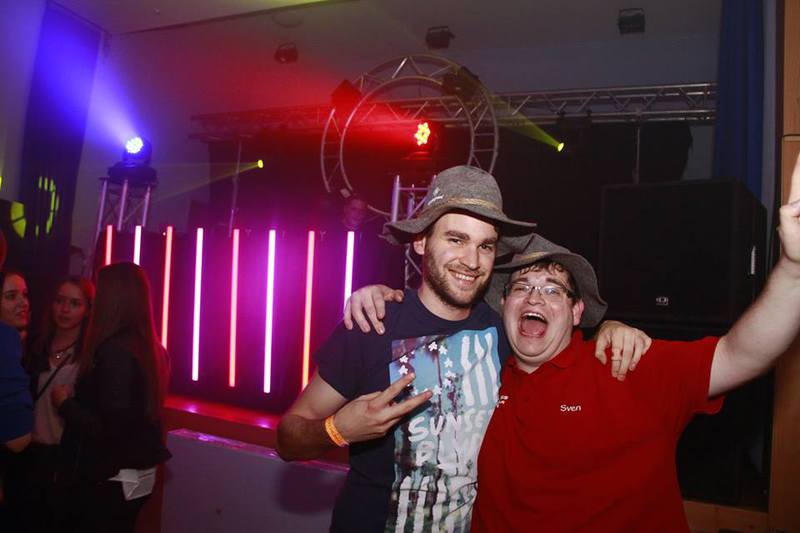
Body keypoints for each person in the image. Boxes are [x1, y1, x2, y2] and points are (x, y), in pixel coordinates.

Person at [276, 165, 648, 532]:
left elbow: (562, 339)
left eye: (485, 246)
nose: (471, 261)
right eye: (456, 239)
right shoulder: (372, 324)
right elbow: (288, 439)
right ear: (421, 241)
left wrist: (611, 328)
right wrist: (338, 430)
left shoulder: (505, 330)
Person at [469, 154, 800, 532]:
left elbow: (739, 356)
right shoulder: (482, 375)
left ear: (577, 311)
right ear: (504, 304)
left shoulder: (623, 363)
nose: (534, 298)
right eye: (521, 288)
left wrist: (793, 271)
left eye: (552, 290)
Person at [50, 263, 171, 532]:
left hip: (111, 476)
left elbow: (110, 429)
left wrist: (65, 404)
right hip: (136, 472)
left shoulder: (115, 351)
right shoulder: (151, 348)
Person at [5, 277, 95, 532]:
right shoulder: (34, 346)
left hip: (64, 459)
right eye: (59, 301)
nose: (64, 310)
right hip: (26, 453)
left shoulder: (90, 355)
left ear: (88, 309)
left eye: (74, 303)